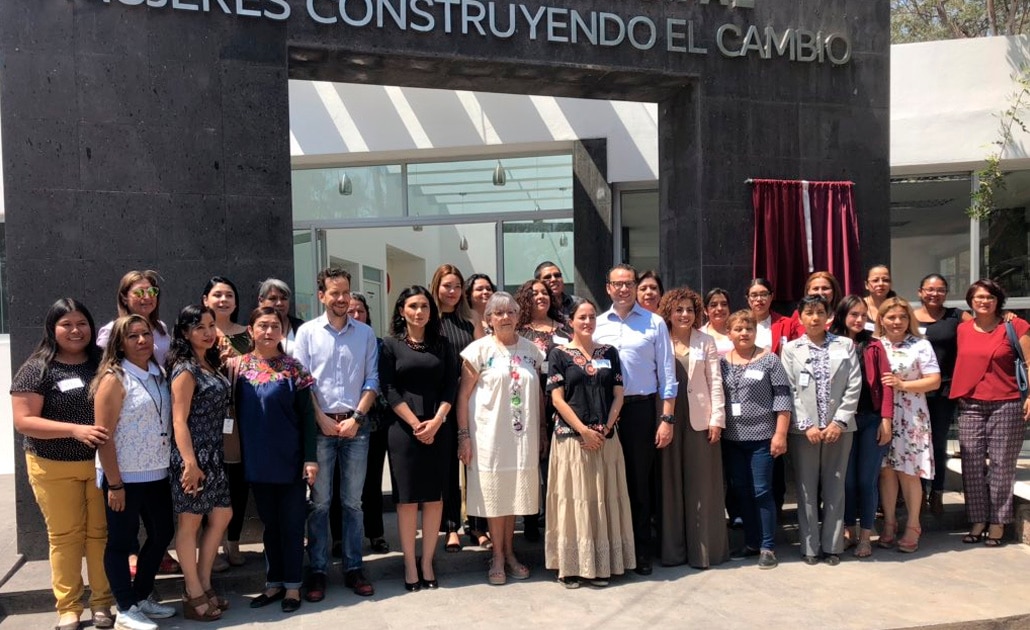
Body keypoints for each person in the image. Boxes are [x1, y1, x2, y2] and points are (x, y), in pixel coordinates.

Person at [11, 299, 116, 630]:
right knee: (65, 536)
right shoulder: (37, 368)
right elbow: (23, 421)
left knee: (100, 535)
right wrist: (74, 429)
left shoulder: (103, 363)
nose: (75, 330)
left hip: (99, 465)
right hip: (52, 465)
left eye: (81, 323)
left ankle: (102, 603)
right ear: (52, 329)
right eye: (66, 324)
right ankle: (69, 607)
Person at [295, 268, 379, 599]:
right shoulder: (307, 333)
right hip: (321, 427)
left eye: (346, 292)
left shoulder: (366, 334)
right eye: (334, 292)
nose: (342, 298)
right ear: (322, 296)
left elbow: (372, 379)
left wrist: (357, 417)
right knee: (319, 503)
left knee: (353, 503)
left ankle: (353, 567)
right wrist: (321, 418)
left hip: (356, 427)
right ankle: (316, 570)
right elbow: (303, 382)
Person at [92, 315, 177, 630]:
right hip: (124, 477)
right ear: (119, 343)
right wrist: (114, 484)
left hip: (157, 472)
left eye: (146, 334)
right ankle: (125, 607)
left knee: (162, 534)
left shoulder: (158, 373)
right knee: (120, 541)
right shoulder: (114, 379)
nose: (142, 341)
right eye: (133, 336)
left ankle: (141, 596)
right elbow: (104, 437)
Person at [232, 307, 318, 614]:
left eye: (274, 326)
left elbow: (307, 416)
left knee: (293, 524)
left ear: (282, 332)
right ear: (251, 330)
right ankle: (274, 582)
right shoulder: (237, 367)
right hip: (256, 460)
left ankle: (293, 586)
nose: (268, 331)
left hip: (291, 459)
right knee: (270, 526)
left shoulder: (293, 368)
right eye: (262, 326)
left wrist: (310, 458)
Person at [545, 298, 635, 588]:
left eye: (591, 316)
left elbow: (619, 394)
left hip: (606, 440)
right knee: (575, 503)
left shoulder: (610, 352)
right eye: (581, 317)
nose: (587, 321)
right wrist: (583, 430)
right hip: (573, 441)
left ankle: (602, 565)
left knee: (602, 500)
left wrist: (605, 428)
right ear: (570, 321)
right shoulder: (558, 354)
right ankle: (571, 567)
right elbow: (557, 398)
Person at [593, 264, 677, 576]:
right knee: (610, 483)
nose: (624, 289)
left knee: (640, 484)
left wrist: (667, 417)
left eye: (629, 283)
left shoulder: (654, 323)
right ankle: (613, 550)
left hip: (642, 411)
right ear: (608, 288)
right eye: (618, 284)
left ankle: (641, 551)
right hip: (606, 413)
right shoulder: (597, 325)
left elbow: (668, 374)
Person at [457, 292, 545, 585]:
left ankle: (509, 553)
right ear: (488, 319)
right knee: (495, 498)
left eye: (510, 312)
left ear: (519, 316)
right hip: (489, 437)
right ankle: (496, 556)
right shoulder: (477, 351)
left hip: (523, 438)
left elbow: (541, 396)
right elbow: (463, 397)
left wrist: (543, 429)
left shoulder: (533, 351)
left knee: (513, 496)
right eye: (498, 313)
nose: (505, 317)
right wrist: (464, 436)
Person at [381, 286, 458, 591]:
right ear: (401, 311)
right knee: (408, 498)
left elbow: (450, 386)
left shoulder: (443, 345)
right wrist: (416, 424)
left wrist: (436, 421)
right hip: (403, 429)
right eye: (412, 306)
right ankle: (410, 563)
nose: (419, 311)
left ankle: (428, 561)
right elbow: (388, 389)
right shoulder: (389, 346)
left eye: (424, 306)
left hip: (439, 427)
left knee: (434, 497)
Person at [780, 295, 861, 565]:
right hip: (806, 432)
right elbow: (789, 388)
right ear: (800, 317)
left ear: (829, 316)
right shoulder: (791, 349)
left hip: (840, 429)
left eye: (820, 312)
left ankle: (833, 545)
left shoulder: (845, 345)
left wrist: (838, 422)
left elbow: (854, 385)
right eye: (809, 312)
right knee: (805, 489)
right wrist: (806, 424)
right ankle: (809, 547)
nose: (815, 318)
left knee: (835, 487)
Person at [950, 279, 1030, 547]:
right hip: (971, 403)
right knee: (971, 464)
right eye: (978, 297)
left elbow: (1029, 363)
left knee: (1001, 466)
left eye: (989, 297)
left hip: (1007, 404)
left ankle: (997, 522)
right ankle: (977, 520)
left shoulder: (1015, 325)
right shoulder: (962, 329)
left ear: (998, 300)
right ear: (970, 300)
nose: (984, 301)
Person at [166, 305, 232, 621]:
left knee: (222, 514)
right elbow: (178, 420)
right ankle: (192, 592)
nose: (207, 332)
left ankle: (204, 582)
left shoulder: (210, 363)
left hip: (215, 454)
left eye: (210, 325)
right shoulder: (185, 369)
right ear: (184, 332)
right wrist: (189, 463)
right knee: (190, 522)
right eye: (199, 327)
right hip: (192, 455)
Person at [656, 287, 729, 569]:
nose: (684, 314)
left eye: (689, 309)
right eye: (679, 310)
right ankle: (673, 552)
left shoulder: (705, 341)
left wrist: (717, 420)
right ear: (669, 313)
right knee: (670, 484)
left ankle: (704, 551)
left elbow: (716, 383)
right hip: (669, 415)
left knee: (702, 485)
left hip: (701, 418)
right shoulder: (661, 339)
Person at [719, 310, 792, 569]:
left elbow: (783, 398)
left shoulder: (769, 360)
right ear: (729, 333)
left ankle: (767, 546)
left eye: (748, 328)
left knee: (762, 491)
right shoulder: (722, 363)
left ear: (756, 332)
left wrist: (780, 434)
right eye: (738, 329)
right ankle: (751, 542)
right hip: (732, 439)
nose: (743, 333)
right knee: (741, 492)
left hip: (763, 437)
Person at [829, 296, 894, 558]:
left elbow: (887, 383)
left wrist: (886, 420)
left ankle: (866, 535)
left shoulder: (874, 345)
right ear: (843, 315)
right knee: (846, 481)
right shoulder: (830, 343)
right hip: (842, 422)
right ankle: (848, 531)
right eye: (853, 314)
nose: (858, 319)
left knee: (866, 480)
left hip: (870, 419)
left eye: (863, 315)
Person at [876, 297, 940, 554]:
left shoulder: (920, 345)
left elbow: (934, 380)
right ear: (881, 319)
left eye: (902, 317)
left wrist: (903, 385)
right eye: (891, 317)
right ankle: (889, 523)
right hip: (883, 416)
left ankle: (913, 525)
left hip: (911, 415)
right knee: (886, 470)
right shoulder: (875, 344)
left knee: (908, 472)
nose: (896, 322)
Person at [431, 265, 488, 552]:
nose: (451, 292)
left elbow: (483, 357)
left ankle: (478, 525)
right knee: (447, 468)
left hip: (471, 399)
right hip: (441, 400)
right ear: (436, 287)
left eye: (456, 286)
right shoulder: (430, 320)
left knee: (474, 463)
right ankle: (451, 526)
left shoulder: (472, 319)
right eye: (446, 286)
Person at [515, 278, 572, 541]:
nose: (541, 296)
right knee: (528, 462)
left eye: (545, 292)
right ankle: (529, 520)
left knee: (555, 464)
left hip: (560, 404)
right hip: (525, 404)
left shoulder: (565, 329)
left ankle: (554, 521)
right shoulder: (518, 331)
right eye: (535, 293)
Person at [201, 275, 251, 570]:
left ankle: (233, 541)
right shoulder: (200, 333)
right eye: (217, 295)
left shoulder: (248, 334)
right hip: (208, 420)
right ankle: (212, 544)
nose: (223, 300)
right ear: (205, 300)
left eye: (229, 295)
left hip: (242, 417)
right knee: (210, 482)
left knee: (238, 481)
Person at [913, 273, 971, 515]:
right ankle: (916, 492)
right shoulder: (911, 318)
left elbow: (984, 327)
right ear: (920, 292)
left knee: (937, 442)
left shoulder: (956, 316)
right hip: (914, 391)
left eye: (940, 289)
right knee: (915, 443)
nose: (934, 293)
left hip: (944, 389)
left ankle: (936, 492)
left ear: (946, 293)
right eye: (929, 289)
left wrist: (1007, 317)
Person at [349, 293, 390, 556]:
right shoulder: (334, 342)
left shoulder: (378, 344)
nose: (355, 316)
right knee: (342, 485)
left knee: (371, 482)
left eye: (360, 311)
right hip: (340, 423)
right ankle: (342, 539)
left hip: (374, 423)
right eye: (350, 311)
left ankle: (375, 534)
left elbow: (383, 383)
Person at [98, 270, 171, 367]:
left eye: (152, 291)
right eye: (139, 292)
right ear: (124, 298)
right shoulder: (111, 330)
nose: (147, 297)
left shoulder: (161, 326)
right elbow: (103, 367)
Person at [786, 271, 844, 339]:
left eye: (825, 288)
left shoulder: (842, 315)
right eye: (815, 289)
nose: (820, 292)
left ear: (834, 291)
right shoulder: (798, 314)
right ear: (808, 291)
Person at [257, 278, 305, 356]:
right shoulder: (253, 328)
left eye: (284, 298)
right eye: (273, 298)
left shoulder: (301, 327)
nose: (279, 303)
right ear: (261, 301)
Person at [746, 278, 791, 355]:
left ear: (771, 296)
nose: (759, 299)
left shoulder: (787, 324)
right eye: (754, 295)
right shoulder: (738, 324)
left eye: (764, 294)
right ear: (748, 299)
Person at [701, 288, 733, 357]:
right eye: (713, 305)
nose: (720, 308)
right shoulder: (698, 334)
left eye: (724, 304)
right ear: (705, 310)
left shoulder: (738, 332)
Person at [465, 273, 497, 340]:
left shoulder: (498, 318)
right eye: (479, 289)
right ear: (469, 294)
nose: (485, 292)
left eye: (488, 289)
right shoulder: (465, 320)